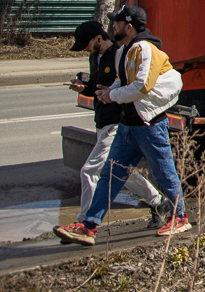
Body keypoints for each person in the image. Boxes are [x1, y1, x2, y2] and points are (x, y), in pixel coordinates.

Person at [54, 5, 190, 246]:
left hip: (148, 125)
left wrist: (112, 96)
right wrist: (109, 91)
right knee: (109, 175)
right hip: (127, 125)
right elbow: (121, 80)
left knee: (164, 173)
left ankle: (180, 217)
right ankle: (88, 226)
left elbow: (141, 86)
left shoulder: (144, 49)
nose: (112, 26)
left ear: (128, 26)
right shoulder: (123, 51)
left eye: (116, 23)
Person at [67, 20, 169, 233]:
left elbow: (125, 86)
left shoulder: (118, 53)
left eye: (86, 45)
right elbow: (98, 87)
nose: (85, 50)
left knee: (89, 171)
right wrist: (84, 88)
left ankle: (85, 221)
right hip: (102, 122)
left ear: (98, 38)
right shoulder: (95, 57)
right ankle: (158, 202)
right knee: (120, 171)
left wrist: (114, 98)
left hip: (115, 123)